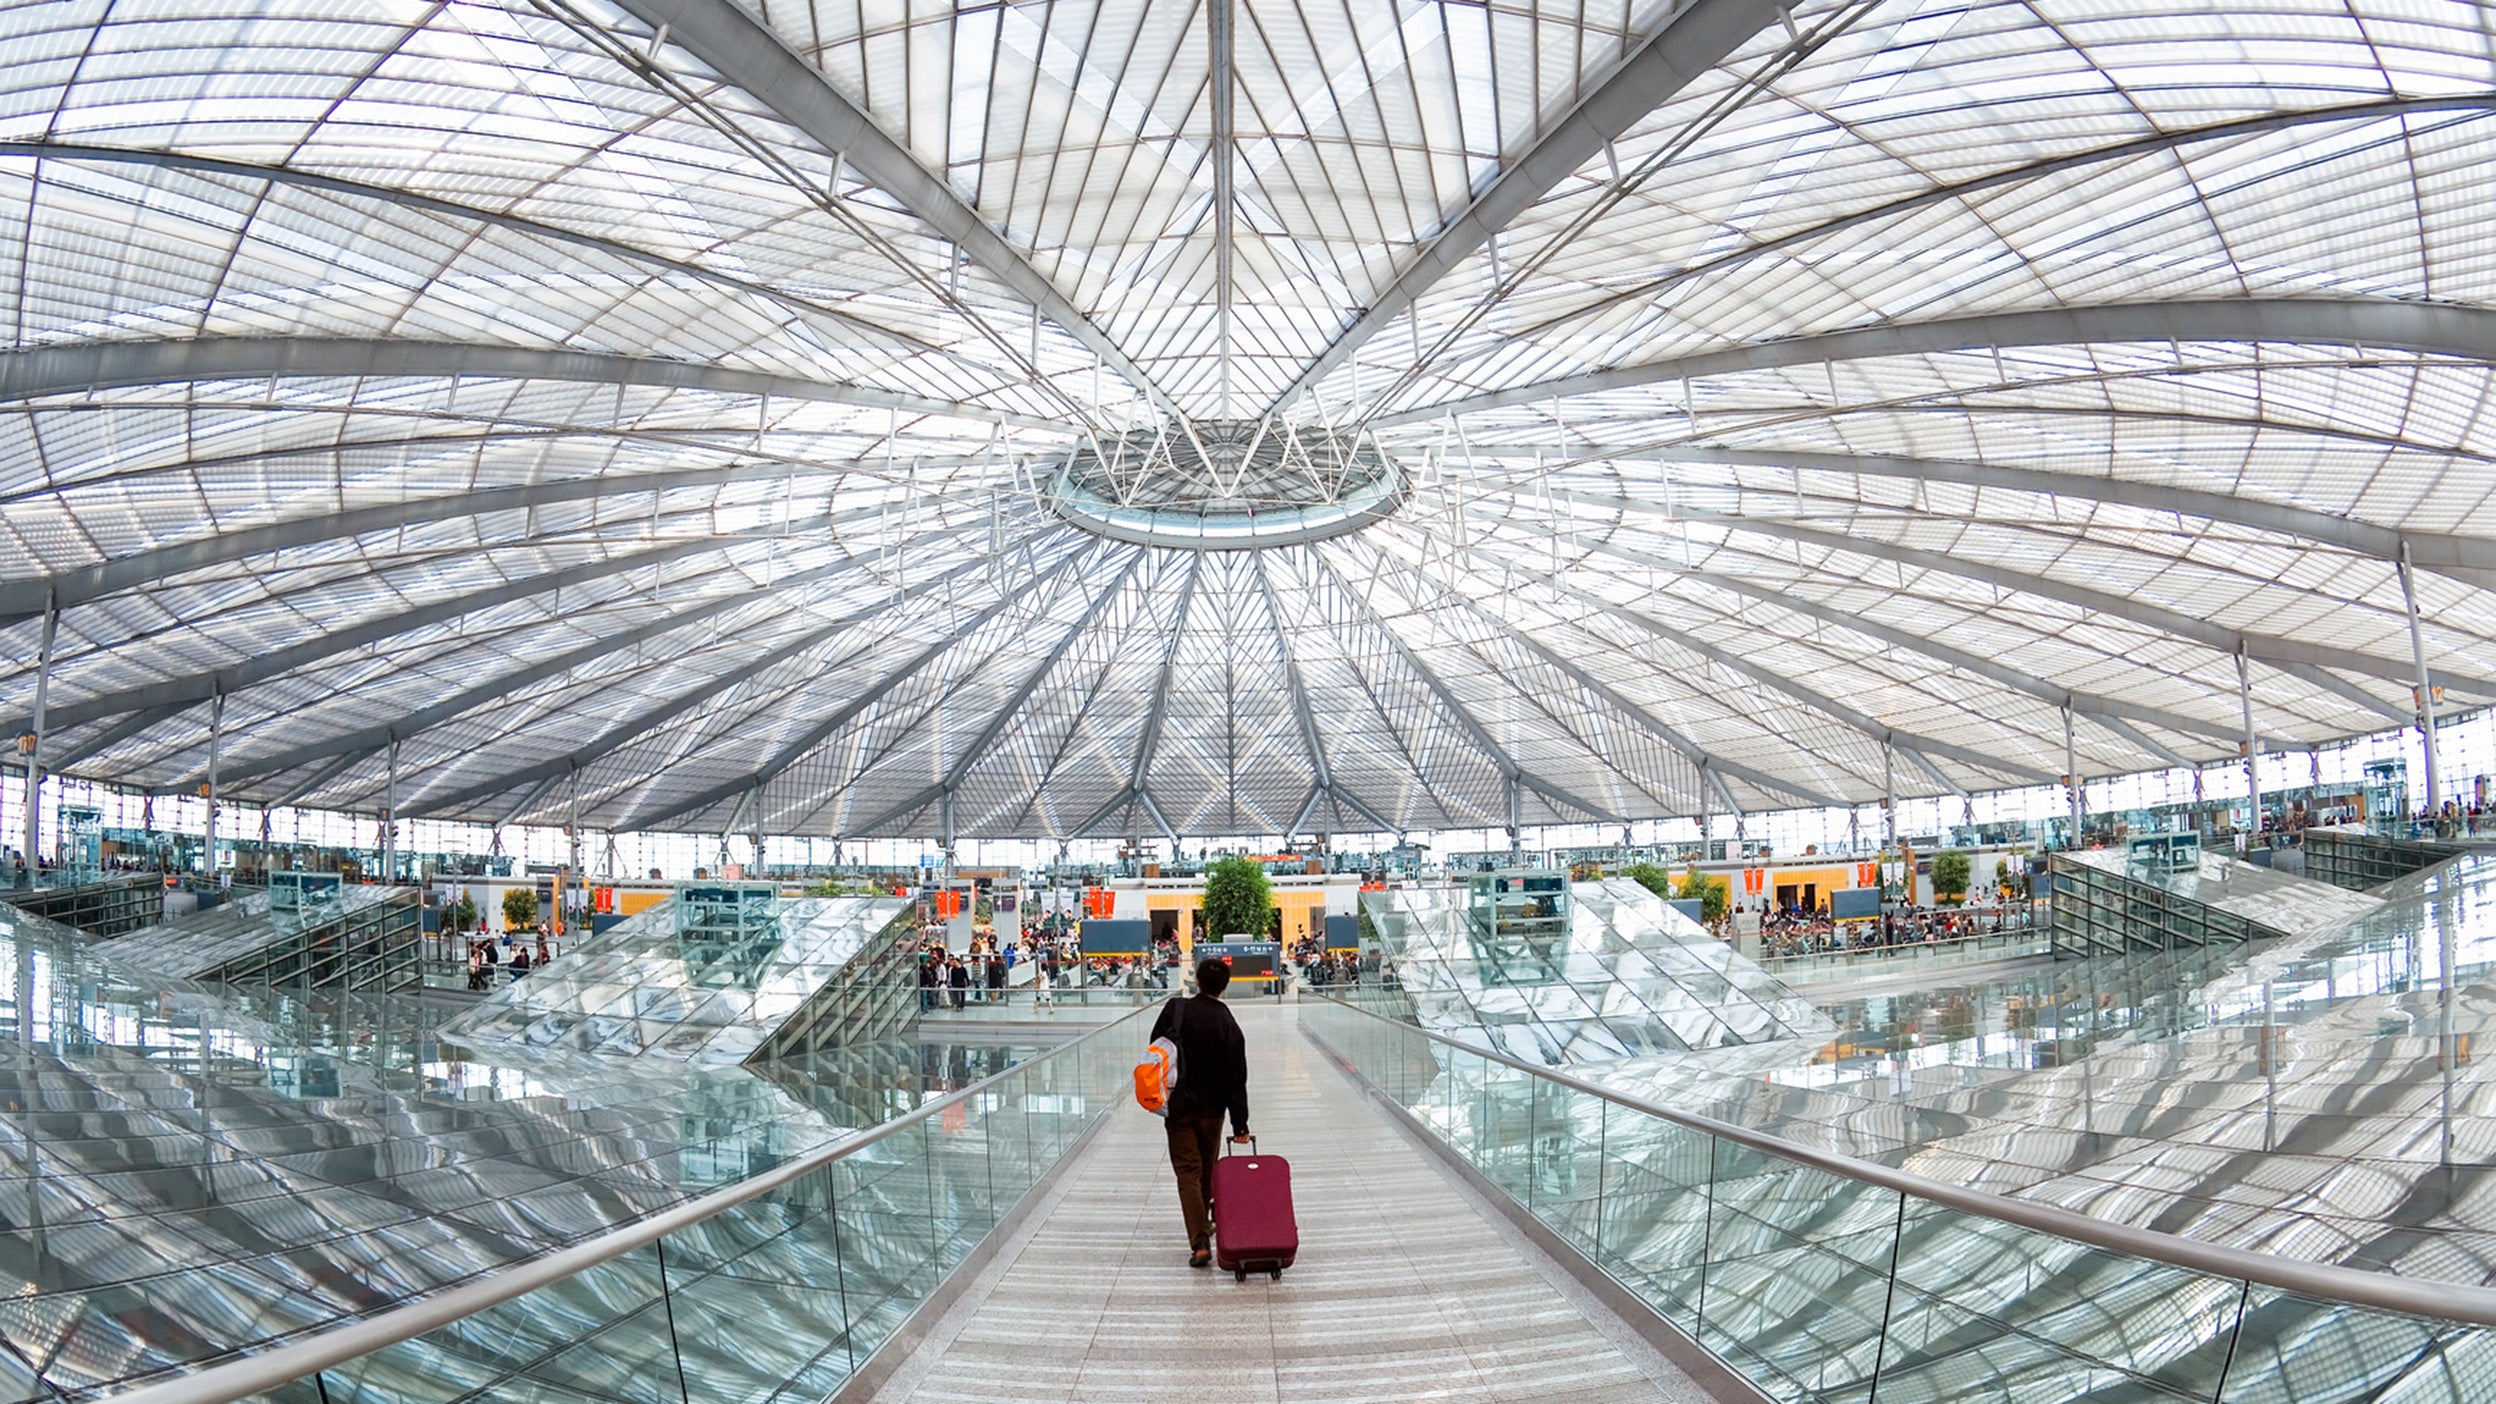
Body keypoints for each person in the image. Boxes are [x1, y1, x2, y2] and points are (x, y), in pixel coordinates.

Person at [1151, 957, 1251, 1269]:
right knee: (1206, 1172)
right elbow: (1237, 1079)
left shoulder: (1176, 1010)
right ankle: (1207, 1226)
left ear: (1197, 981)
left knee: (1187, 1174)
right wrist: (1240, 1125)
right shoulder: (1229, 1024)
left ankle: (1200, 1244)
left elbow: (1155, 1047)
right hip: (1213, 1112)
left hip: (1179, 1107)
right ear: (1225, 986)